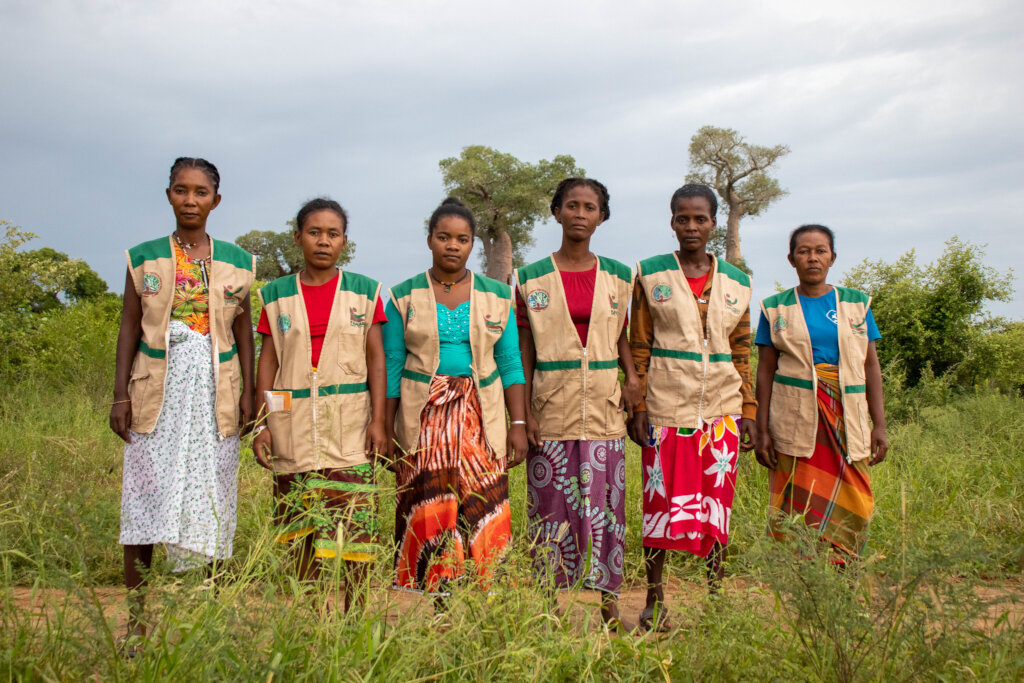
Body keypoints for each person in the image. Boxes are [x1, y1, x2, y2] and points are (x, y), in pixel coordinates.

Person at [109, 157, 255, 650]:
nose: (190, 200)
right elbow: (129, 326)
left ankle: (210, 622)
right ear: (169, 194)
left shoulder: (237, 261)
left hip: (217, 393)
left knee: (214, 496)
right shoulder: (144, 258)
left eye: (200, 192)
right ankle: (136, 622)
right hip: (156, 390)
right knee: (144, 497)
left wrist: (249, 392)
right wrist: (120, 394)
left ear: (216, 200)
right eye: (181, 190)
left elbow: (242, 330)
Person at [383, 197, 528, 606]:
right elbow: (393, 363)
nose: (452, 245)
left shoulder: (497, 295)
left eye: (462, 239)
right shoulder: (403, 296)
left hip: (482, 414)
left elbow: (510, 361)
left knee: (483, 496)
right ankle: (438, 599)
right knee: (429, 499)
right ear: (429, 239)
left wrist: (518, 424)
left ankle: (486, 594)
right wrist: (389, 428)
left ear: (472, 244)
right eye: (443, 237)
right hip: (424, 416)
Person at [628, 183, 757, 631]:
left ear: (714, 223)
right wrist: (638, 406)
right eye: (682, 218)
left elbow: (742, 350)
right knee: (659, 504)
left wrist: (749, 410)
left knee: (717, 507)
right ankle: (654, 600)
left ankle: (716, 598)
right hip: (666, 410)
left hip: (722, 411)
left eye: (700, 218)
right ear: (672, 222)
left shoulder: (738, 282)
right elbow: (639, 344)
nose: (691, 227)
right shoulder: (650, 274)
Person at [252, 197, 388, 613]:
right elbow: (269, 362)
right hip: (291, 428)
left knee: (355, 531)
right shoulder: (275, 295)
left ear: (344, 241)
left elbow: (376, 359)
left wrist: (379, 422)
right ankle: (308, 617)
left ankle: (355, 618)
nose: (323, 241)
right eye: (314, 232)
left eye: (333, 234)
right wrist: (265, 423)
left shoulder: (365, 292)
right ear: (298, 238)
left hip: (350, 429)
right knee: (300, 532)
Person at [515, 177, 639, 628]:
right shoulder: (529, 278)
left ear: (602, 217)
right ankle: (547, 609)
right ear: (556, 212)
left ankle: (609, 608)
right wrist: (522, 413)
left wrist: (632, 378)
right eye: (572, 206)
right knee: (549, 509)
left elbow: (622, 335)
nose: (580, 214)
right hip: (551, 407)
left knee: (607, 512)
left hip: (604, 407)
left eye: (590, 207)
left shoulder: (620, 277)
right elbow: (524, 349)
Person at [754, 224, 888, 565]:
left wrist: (880, 425)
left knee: (855, 498)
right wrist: (762, 429)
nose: (812, 258)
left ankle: (847, 572)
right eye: (804, 251)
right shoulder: (775, 308)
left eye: (820, 251)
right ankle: (802, 575)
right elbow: (765, 371)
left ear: (832, 257)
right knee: (799, 500)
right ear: (791, 259)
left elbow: (870, 365)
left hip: (847, 417)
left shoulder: (856, 304)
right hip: (795, 417)